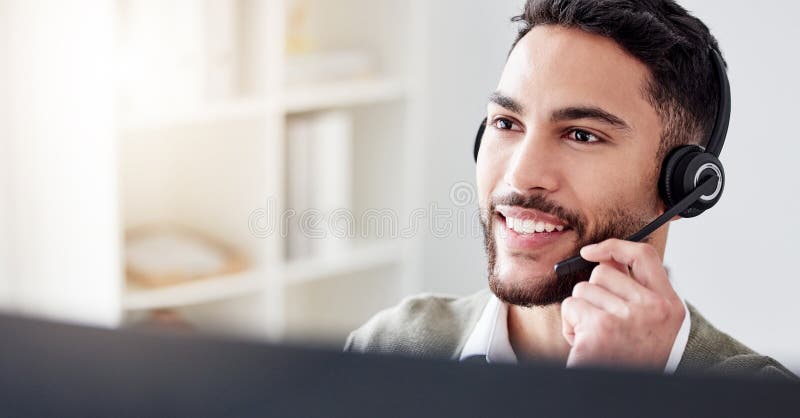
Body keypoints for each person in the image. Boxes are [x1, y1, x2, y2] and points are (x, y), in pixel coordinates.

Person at [345, 0, 795, 379]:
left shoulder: (756, 395)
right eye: (506, 123)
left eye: (581, 134)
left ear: (685, 186)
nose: (521, 176)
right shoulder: (392, 347)